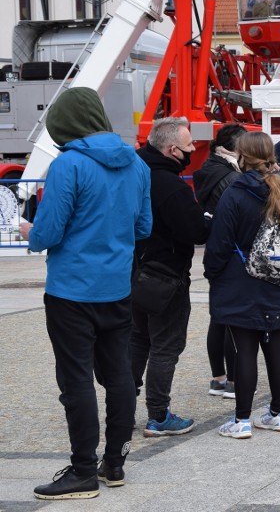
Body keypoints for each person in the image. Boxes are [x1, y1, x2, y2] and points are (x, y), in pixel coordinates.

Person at [22, 88, 151, 500]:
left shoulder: (69, 164)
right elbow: (144, 227)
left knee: (75, 379)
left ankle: (81, 471)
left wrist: (28, 232)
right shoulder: (137, 163)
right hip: (117, 287)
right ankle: (114, 463)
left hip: (71, 289)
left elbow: (47, 234)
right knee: (119, 377)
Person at [203, 132, 280, 438]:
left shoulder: (235, 194)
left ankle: (242, 420)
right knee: (276, 347)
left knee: (244, 350)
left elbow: (219, 243)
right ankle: (278, 414)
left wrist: (213, 273)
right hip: (279, 281)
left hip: (241, 281)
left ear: (242, 156)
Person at [131, 117, 210, 437]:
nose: (194, 150)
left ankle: (121, 406)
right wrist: (207, 220)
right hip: (166, 275)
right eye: (190, 146)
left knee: (137, 341)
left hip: (134, 270)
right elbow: (193, 230)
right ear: (173, 149)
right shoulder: (169, 184)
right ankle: (158, 415)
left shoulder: (133, 173)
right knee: (165, 345)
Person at [193, 124, 247, 399]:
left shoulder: (208, 169)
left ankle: (218, 378)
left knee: (218, 317)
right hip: (231, 252)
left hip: (215, 250)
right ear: (236, 147)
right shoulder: (231, 178)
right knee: (232, 319)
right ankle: (235, 381)